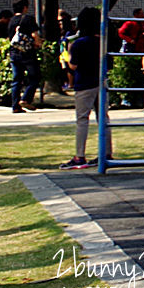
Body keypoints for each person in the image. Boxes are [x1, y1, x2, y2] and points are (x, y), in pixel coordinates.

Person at [60, 9, 102, 169]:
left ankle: (80, 155)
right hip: (101, 81)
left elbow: (73, 65)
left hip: (84, 83)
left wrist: (68, 54)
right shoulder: (102, 42)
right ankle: (106, 153)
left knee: (82, 119)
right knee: (103, 118)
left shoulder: (79, 43)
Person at [7, 0, 41, 112]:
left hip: (14, 52)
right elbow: (35, 34)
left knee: (16, 79)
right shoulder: (29, 19)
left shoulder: (11, 21)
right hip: (27, 53)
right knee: (35, 76)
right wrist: (38, 43)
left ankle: (15, 106)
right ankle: (26, 99)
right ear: (25, 7)